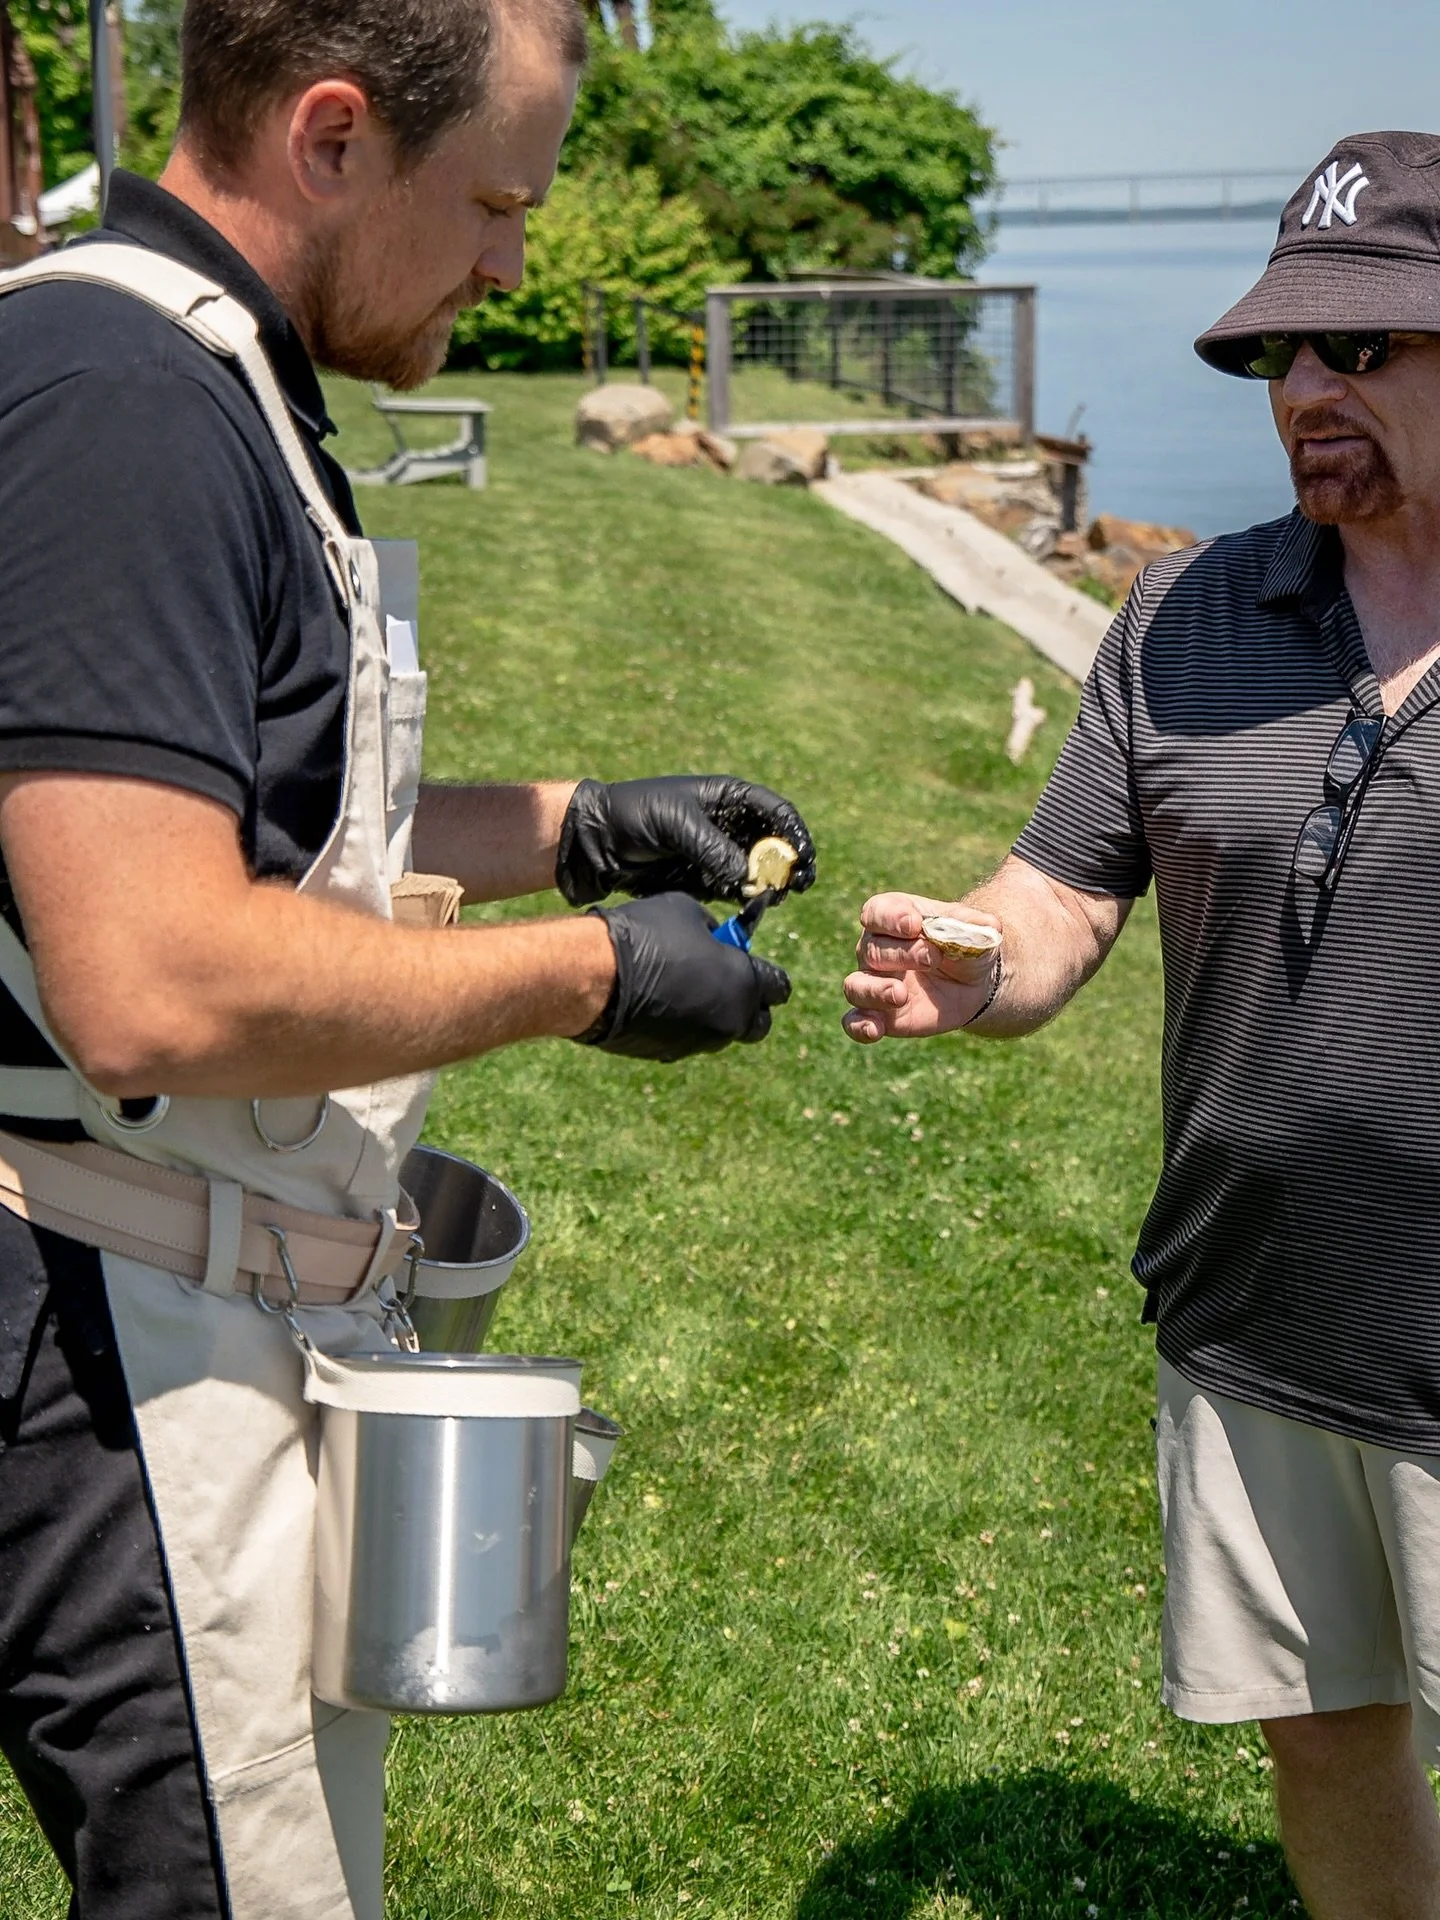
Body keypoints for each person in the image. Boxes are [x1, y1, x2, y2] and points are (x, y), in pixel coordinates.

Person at [0, 2, 815, 1913]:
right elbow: (154, 976)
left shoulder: (210, 372)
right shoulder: (122, 398)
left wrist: (575, 826)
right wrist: (590, 971)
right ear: (334, 137)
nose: (513, 265)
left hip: (179, 1288)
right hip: (111, 1339)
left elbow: (229, 805)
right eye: (498, 204)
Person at [843, 130, 1440, 1920]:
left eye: (1360, 346)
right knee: (1324, 1735)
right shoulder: (1186, 612)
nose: (1304, 388)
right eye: (1277, 353)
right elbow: (1062, 895)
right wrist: (973, 965)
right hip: (1253, 1314)